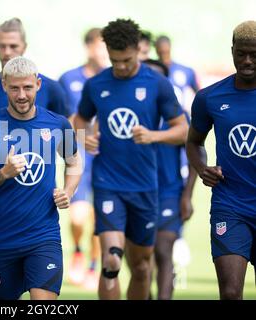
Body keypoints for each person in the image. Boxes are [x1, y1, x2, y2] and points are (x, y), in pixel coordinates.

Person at [74, 19, 188, 300]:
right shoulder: (96, 84)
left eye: (126, 60)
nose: (121, 66)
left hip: (145, 187)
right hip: (108, 183)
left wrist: (154, 136)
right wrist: (81, 138)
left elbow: (183, 129)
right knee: (111, 261)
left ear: (138, 50)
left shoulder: (157, 84)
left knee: (140, 266)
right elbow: (78, 121)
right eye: (115, 61)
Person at [0, 56, 81, 300]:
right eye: (15, 88)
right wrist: (3, 174)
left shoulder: (58, 124)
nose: (21, 95)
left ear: (38, 85)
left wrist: (68, 191)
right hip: (2, 239)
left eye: (28, 87)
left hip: (44, 236)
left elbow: (74, 161)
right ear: (4, 85)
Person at [186, 20, 256, 300]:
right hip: (230, 205)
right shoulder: (210, 97)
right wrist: (203, 168)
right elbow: (193, 142)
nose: (247, 60)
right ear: (232, 51)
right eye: (241, 53)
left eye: (254, 53)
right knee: (230, 293)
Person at [0, 17, 71, 152]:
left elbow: (68, 130)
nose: (7, 52)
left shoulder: (51, 89)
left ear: (24, 47)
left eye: (13, 46)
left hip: (38, 170)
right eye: (2, 46)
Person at [143, 59, 198, 299]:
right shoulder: (130, 115)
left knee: (163, 251)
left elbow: (197, 153)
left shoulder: (178, 116)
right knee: (142, 257)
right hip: (136, 194)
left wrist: (187, 195)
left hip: (169, 193)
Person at [58, 27, 107, 290]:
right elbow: (60, 117)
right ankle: (77, 249)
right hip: (77, 158)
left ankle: (92, 266)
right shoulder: (68, 79)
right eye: (99, 46)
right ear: (89, 47)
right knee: (77, 217)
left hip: (106, 159)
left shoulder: (113, 79)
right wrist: (76, 136)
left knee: (100, 218)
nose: (103, 52)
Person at [155, 35, 199, 113]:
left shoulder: (186, 71)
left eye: (166, 52)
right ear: (156, 51)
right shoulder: (152, 70)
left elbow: (199, 94)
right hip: (159, 117)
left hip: (180, 115)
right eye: (161, 52)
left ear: (170, 48)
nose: (164, 56)